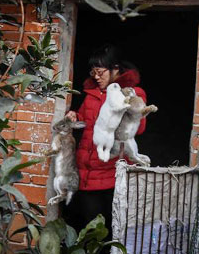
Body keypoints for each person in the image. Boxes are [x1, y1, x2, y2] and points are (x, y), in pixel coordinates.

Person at [63, 45, 147, 236]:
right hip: (87, 172)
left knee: (111, 228)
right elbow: (85, 120)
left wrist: (129, 108)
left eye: (100, 72)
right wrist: (74, 116)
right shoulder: (92, 94)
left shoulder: (131, 93)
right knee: (89, 226)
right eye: (93, 72)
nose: (96, 77)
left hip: (112, 174)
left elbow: (139, 128)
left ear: (115, 69)